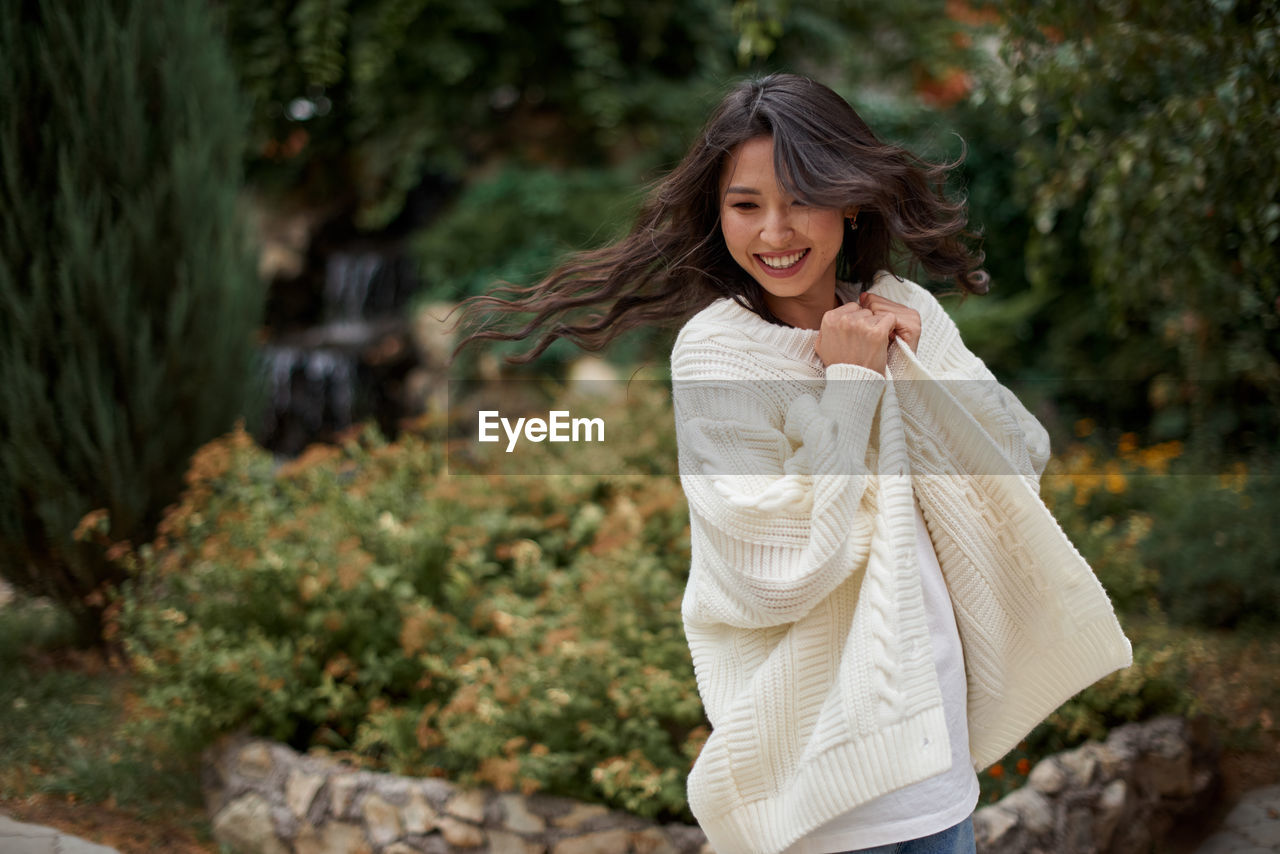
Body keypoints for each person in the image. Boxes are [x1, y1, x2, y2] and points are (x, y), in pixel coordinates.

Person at [451, 73, 1132, 854]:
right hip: (824, 782)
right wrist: (848, 384)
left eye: (800, 198)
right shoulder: (717, 352)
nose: (774, 232)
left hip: (932, 753)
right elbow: (773, 570)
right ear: (717, 213)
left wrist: (920, 361)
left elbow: (1016, 465)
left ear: (849, 200)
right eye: (745, 205)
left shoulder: (901, 308)